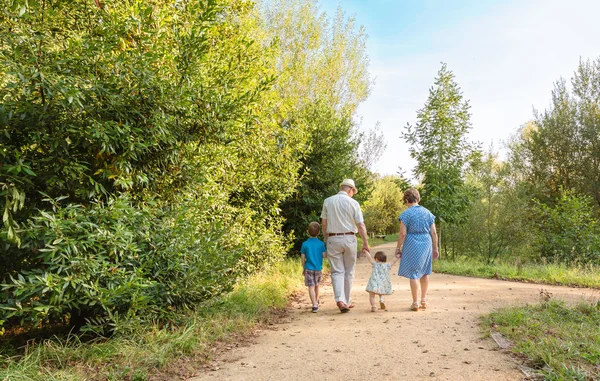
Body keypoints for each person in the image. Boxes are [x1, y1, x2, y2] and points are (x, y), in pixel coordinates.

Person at [321, 178, 370, 313]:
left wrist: (327, 239)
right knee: (349, 270)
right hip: (349, 238)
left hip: (333, 238)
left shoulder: (328, 201)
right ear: (350, 190)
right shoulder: (354, 203)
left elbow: (324, 223)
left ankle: (340, 299)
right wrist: (365, 242)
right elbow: (360, 225)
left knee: (337, 271)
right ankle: (347, 300)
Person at [395, 188, 439, 311]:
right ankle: (423, 300)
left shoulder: (406, 214)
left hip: (412, 243)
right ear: (418, 199)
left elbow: (402, 234)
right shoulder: (428, 213)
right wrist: (435, 248)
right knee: (425, 271)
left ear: (406, 200)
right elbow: (434, 233)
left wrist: (398, 248)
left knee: (414, 273)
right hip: (426, 242)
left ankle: (415, 303)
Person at [300, 221, 327, 313]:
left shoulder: (305, 244)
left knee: (311, 286)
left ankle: (314, 305)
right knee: (317, 285)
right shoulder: (321, 244)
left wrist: (304, 268)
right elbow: (324, 255)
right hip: (318, 268)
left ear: (308, 231)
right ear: (319, 233)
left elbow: (303, 258)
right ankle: (316, 299)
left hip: (308, 268)